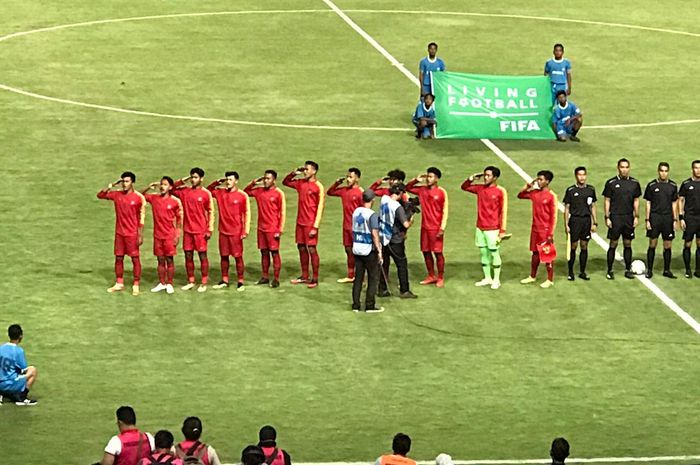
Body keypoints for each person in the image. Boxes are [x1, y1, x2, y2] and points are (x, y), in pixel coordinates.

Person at [97, 171, 146, 296]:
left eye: (127, 181)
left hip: (132, 233)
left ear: (132, 182)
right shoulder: (116, 195)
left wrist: (140, 235)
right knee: (119, 258)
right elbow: (100, 195)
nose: (124, 184)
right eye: (123, 181)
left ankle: (136, 284)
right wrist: (111, 185)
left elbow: (141, 218)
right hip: (119, 233)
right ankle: (119, 283)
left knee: (135, 259)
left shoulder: (138, 197)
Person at [461, 166, 509, 289]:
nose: (485, 177)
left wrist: (502, 230)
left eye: (488, 175)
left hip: (493, 228)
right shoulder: (480, 189)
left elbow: (503, 211)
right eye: (484, 175)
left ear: (495, 177)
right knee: (483, 253)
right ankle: (487, 278)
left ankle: (496, 280)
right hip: (480, 227)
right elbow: (464, 187)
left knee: (494, 253)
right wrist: (471, 178)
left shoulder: (500, 191)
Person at [283, 161, 325, 288]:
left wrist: (315, 226)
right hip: (300, 222)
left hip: (310, 223)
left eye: (307, 169)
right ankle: (304, 276)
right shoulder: (300, 183)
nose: (305, 171)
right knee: (301, 247)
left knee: (312, 249)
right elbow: (286, 182)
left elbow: (320, 207)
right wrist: (295, 172)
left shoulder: (318, 187)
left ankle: (315, 278)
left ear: (314, 171)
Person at [173, 168, 215, 292]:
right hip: (188, 230)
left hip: (201, 230)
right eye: (192, 177)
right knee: (188, 255)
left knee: (202, 256)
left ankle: (204, 282)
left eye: (196, 177)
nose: (193, 179)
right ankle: (191, 281)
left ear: (201, 179)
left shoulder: (206, 193)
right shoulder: (185, 191)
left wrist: (210, 229)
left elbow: (211, 211)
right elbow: (172, 188)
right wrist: (183, 180)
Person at [207, 171, 251, 291]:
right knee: (224, 256)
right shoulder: (220, 193)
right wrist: (218, 181)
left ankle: (240, 281)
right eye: (227, 179)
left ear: (236, 181)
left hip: (236, 232)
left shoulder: (242, 195)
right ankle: (224, 279)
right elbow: (208, 190)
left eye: (230, 179)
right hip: (223, 231)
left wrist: (245, 231)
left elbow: (246, 213)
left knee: (238, 257)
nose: (228, 182)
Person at [407, 167, 448, 287]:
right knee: (425, 252)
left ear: (437, 179)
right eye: (427, 176)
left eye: (430, 177)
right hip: (425, 227)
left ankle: (440, 277)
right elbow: (408, 188)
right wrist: (416, 180)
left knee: (438, 253)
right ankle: (431, 275)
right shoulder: (422, 190)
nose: (428, 179)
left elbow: (445, 210)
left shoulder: (441, 192)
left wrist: (442, 228)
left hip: (436, 228)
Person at [244, 170, 286, 288]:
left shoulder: (278, 193)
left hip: (272, 229)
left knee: (274, 252)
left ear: (274, 180)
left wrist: (279, 230)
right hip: (261, 228)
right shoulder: (259, 191)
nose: (266, 181)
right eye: (264, 179)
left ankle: (276, 279)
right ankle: (265, 277)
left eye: (268, 179)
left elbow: (282, 212)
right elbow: (246, 192)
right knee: (263, 252)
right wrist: (254, 183)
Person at [141, 177, 183, 294]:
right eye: (161, 184)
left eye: (165, 185)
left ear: (170, 187)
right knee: (160, 260)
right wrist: (149, 186)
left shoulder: (175, 201)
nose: (162, 187)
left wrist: (177, 235)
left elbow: (179, 220)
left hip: (169, 235)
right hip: (158, 235)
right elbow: (139, 195)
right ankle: (162, 283)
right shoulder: (154, 198)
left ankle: (169, 283)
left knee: (169, 260)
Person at [603, 158, 642, 279]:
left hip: (628, 217)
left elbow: (636, 200)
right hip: (615, 217)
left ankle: (627, 269)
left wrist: (636, 216)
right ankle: (609, 270)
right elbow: (607, 200)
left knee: (628, 243)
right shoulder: (611, 183)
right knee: (613, 243)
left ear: (629, 168)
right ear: (618, 168)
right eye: (622, 167)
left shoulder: (634, 183)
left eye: (626, 167)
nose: (624, 170)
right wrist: (607, 217)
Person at [518, 171, 558, 288]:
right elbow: (520, 195)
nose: (538, 181)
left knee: (547, 255)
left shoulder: (551, 196)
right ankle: (532, 276)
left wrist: (550, 233)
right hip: (535, 228)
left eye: (541, 179)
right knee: (534, 253)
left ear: (547, 181)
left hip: (545, 230)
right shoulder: (534, 193)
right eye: (538, 179)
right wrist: (528, 186)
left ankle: (550, 279)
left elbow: (553, 216)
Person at [378, 183, 417, 299]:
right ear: (400, 193)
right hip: (395, 240)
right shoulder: (397, 207)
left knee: (384, 265)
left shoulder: (384, 200)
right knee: (402, 265)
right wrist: (411, 220)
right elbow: (405, 224)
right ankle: (404, 291)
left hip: (383, 238)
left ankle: (382, 289)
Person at [327, 168, 364, 283]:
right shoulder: (344, 191)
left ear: (357, 178)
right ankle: (350, 275)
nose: (348, 179)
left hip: (357, 228)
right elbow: (330, 192)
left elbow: (364, 211)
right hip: (346, 226)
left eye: (351, 177)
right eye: (347, 177)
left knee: (358, 252)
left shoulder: (361, 192)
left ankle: (361, 276)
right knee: (348, 250)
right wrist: (337, 183)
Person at [351, 190, 384, 313]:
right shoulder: (372, 215)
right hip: (368, 250)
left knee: (358, 278)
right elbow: (375, 235)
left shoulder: (356, 212)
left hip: (357, 248)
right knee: (372, 278)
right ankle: (370, 305)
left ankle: (356, 305)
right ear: (373, 200)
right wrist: (379, 251)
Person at [644, 162, 679, 279]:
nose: (663, 173)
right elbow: (648, 203)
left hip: (667, 218)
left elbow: (674, 203)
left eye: (666, 171)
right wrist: (647, 219)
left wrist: (675, 219)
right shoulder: (652, 186)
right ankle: (649, 270)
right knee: (652, 244)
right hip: (655, 217)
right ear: (658, 171)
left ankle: (667, 270)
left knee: (668, 245)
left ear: (668, 172)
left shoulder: (673, 186)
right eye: (662, 171)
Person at [563, 167, 598, 281]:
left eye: (584, 175)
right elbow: (567, 208)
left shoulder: (590, 190)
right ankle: (570, 271)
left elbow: (592, 206)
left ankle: (582, 271)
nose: (582, 177)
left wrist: (595, 222)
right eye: (579, 175)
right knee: (573, 246)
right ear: (576, 176)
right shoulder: (571, 190)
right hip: (575, 220)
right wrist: (566, 224)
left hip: (586, 221)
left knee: (584, 246)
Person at [0, 324, 38, 406]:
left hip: (0, 383)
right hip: (10, 384)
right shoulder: (18, 351)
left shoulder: (1, 348)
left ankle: (2, 393)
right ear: (20, 336)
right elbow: (23, 369)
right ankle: (21, 397)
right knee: (32, 370)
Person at [679, 159, 700, 278]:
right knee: (687, 244)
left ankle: (698, 269)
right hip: (690, 218)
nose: (698, 170)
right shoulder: (686, 184)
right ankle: (688, 269)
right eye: (696, 168)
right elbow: (680, 200)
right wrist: (681, 217)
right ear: (692, 169)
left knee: (699, 244)